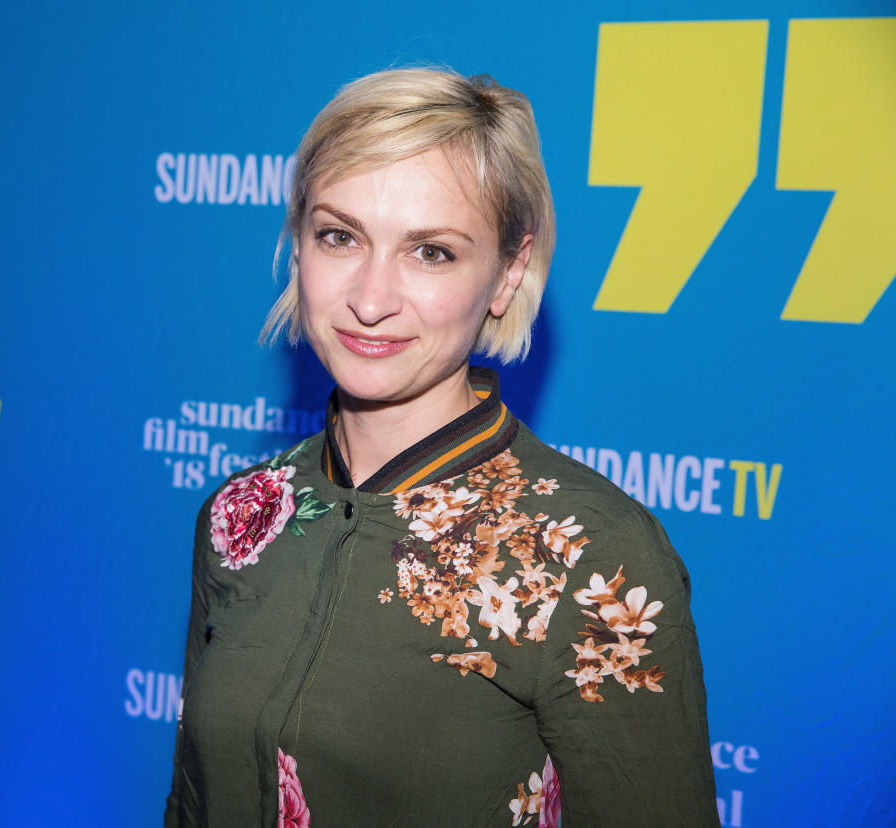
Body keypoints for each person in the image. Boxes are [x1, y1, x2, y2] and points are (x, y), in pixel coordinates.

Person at [165, 67, 718, 827]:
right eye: (339, 236)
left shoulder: (594, 556)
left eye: (430, 252)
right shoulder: (240, 516)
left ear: (507, 272)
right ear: (298, 246)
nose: (369, 297)